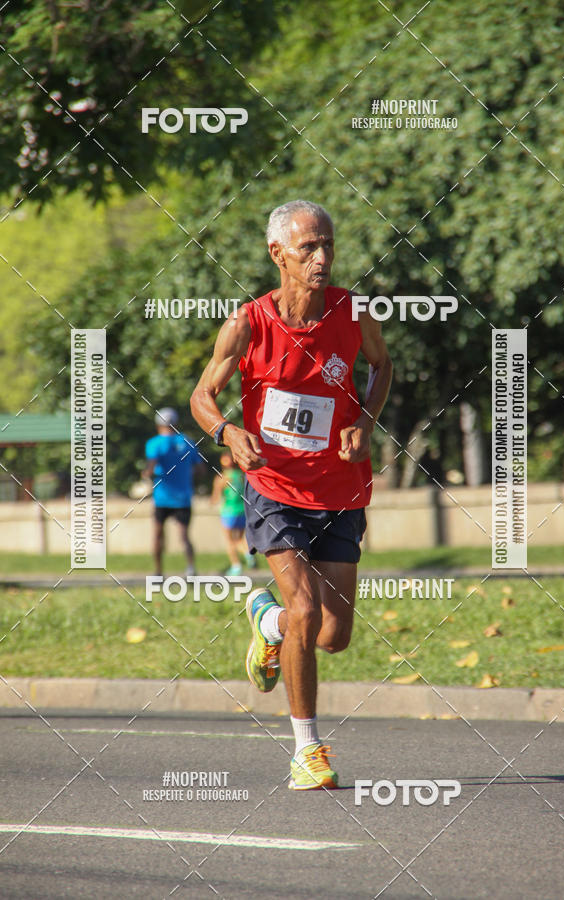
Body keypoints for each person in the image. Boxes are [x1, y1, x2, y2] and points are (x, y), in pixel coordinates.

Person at [190, 200, 392, 789]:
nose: (322, 257)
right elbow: (204, 393)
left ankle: (267, 621)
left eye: (327, 244)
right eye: (309, 248)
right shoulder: (248, 323)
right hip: (273, 486)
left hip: (339, 487)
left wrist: (367, 420)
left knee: (333, 635)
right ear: (278, 253)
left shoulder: (354, 313)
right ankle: (307, 750)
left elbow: (381, 369)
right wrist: (227, 430)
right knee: (307, 610)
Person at [143, 407, 204, 577]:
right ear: (176, 423)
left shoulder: (154, 444)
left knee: (157, 535)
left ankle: (158, 571)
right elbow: (200, 470)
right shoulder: (188, 442)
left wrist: (146, 473)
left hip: (162, 497)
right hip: (183, 497)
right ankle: (191, 568)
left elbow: (150, 468)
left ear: (158, 424)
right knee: (184, 536)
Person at [211, 452, 256, 575]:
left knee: (229, 540)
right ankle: (248, 554)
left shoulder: (222, 478)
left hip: (228, 512)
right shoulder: (241, 475)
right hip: (242, 510)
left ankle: (236, 566)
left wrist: (213, 502)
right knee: (240, 538)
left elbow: (216, 497)